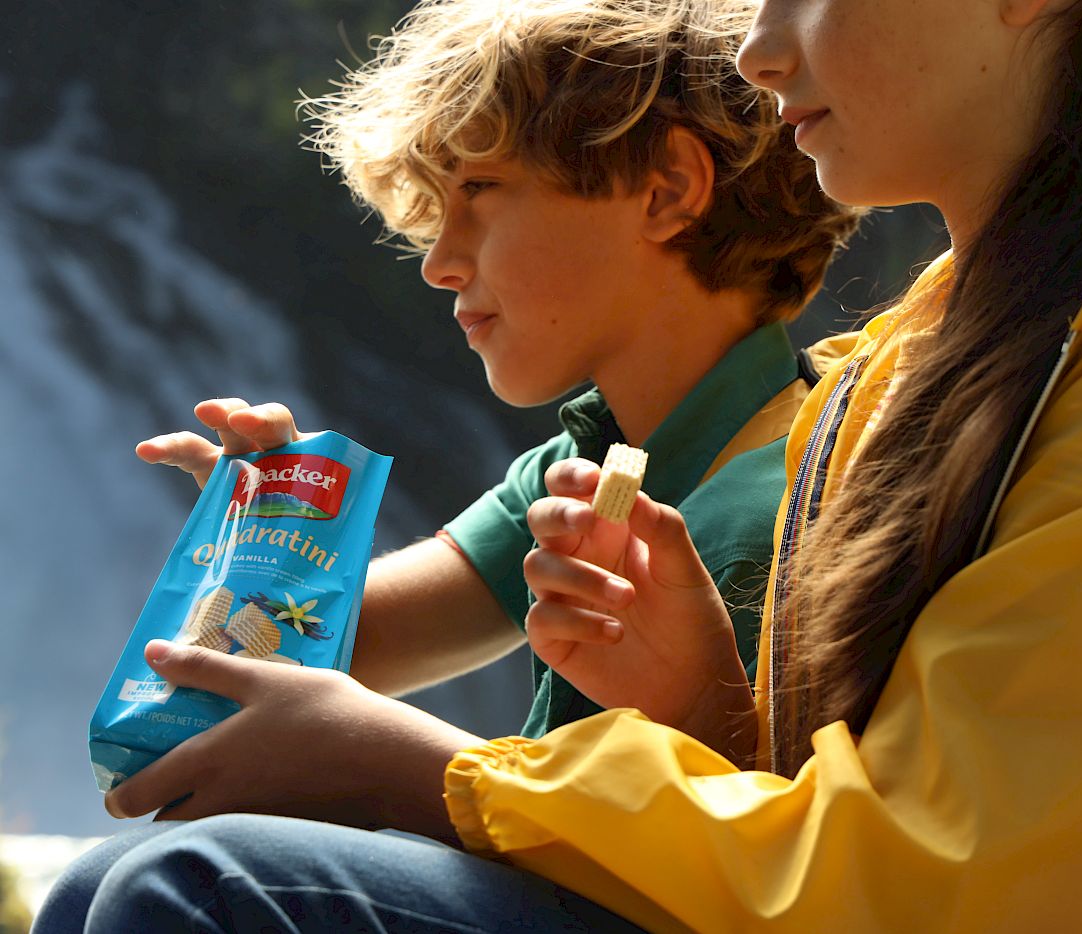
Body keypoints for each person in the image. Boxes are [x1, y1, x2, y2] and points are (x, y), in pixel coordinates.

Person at [41, 0, 1082, 931]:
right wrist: (274, 529)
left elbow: (951, 894)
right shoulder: (949, 352)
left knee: (203, 891)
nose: (759, 45)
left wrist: (424, 774)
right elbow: (925, 813)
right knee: (109, 893)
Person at [34, 0, 857, 929]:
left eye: (480, 191)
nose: (439, 264)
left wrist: (383, 768)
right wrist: (272, 540)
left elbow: (722, 853)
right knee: (91, 882)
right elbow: (349, 644)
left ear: (667, 190)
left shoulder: (780, 493)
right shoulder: (591, 458)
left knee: (185, 883)